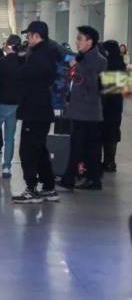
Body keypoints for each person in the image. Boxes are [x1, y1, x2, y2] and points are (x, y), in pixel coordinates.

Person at [12, 21, 61, 203]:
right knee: (39, 149)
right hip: (40, 109)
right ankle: (48, 187)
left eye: (29, 35)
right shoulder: (47, 52)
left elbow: (23, 75)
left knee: (28, 151)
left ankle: (31, 189)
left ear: (36, 36)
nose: (27, 39)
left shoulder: (41, 55)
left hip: (35, 110)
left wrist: (18, 59)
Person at [58, 26, 108, 191]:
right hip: (79, 110)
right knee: (88, 147)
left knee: (79, 146)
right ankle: (92, 179)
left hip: (88, 112)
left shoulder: (99, 60)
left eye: (80, 39)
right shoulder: (81, 57)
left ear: (90, 41)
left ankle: (70, 179)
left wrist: (78, 66)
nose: (77, 42)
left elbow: (96, 85)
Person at [0, 35, 22, 179]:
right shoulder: (23, 62)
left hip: (0, 102)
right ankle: (7, 167)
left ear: (8, 46)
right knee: (10, 137)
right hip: (15, 104)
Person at [100, 40, 125, 173]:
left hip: (108, 106)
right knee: (113, 133)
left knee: (106, 132)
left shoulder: (109, 65)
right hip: (117, 105)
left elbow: (106, 90)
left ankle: (108, 162)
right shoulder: (120, 64)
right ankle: (110, 162)